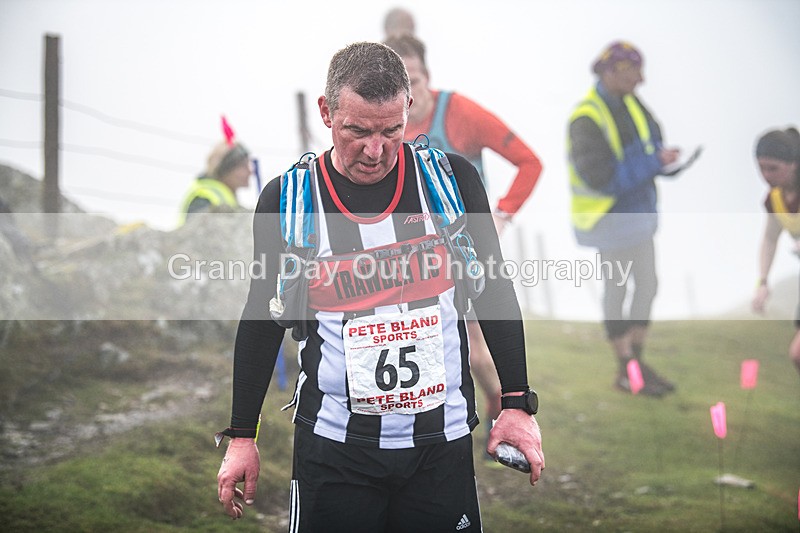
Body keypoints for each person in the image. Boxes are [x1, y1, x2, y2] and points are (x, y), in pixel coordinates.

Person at [215, 42, 544, 531]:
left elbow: (493, 291)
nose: (376, 150)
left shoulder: (453, 183)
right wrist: (243, 435)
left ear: (409, 109)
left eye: (393, 131)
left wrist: (516, 404)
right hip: (334, 449)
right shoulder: (287, 199)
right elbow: (263, 316)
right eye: (358, 131)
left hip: (441, 445)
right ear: (327, 114)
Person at [384, 33, 543, 432]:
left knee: (474, 351)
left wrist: (501, 215)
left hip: (464, 252)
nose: (408, 92)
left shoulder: (459, 113)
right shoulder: (383, 128)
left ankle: (501, 407)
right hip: (409, 260)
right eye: (396, 83)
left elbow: (529, 162)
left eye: (414, 79)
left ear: (427, 76)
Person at [567, 41, 681, 397]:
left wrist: (664, 162)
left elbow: (652, 144)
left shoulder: (632, 103)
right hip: (608, 222)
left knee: (647, 285)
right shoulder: (585, 117)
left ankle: (636, 364)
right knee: (618, 289)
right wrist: (653, 162)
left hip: (639, 217)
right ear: (612, 71)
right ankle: (627, 369)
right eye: (635, 72)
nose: (642, 79)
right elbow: (600, 177)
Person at [751, 127, 800, 377]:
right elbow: (770, 239)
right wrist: (763, 282)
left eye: (773, 168)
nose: (766, 175)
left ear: (793, 164)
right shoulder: (775, 199)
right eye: (761, 168)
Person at [178, 139, 251, 224]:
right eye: (243, 166)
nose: (250, 171)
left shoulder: (226, 195)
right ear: (226, 169)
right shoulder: (203, 198)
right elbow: (195, 232)